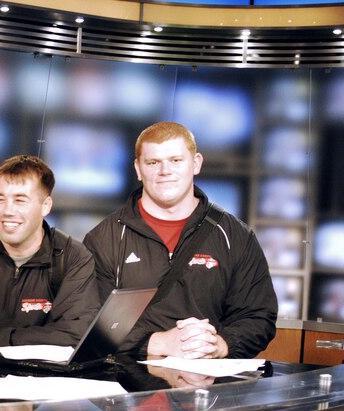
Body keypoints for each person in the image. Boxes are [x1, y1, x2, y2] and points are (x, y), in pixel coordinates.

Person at [83, 121, 277, 359]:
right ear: (138, 169)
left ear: (195, 164)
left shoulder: (236, 236)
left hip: (208, 385)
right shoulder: (104, 239)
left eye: (176, 160)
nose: (165, 171)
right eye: (153, 162)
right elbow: (90, 320)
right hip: (126, 386)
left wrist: (219, 344)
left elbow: (258, 316)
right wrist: (159, 343)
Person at [0, 155, 97, 347]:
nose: (7, 211)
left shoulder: (72, 258)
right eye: (0, 199)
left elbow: (76, 333)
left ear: (46, 206)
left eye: (20, 200)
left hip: (38, 375)